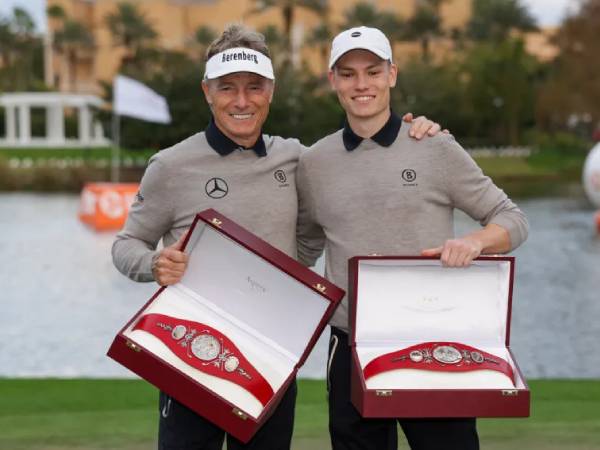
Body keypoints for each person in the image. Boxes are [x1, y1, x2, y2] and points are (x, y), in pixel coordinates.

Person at [112, 24, 441, 450]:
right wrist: (155, 264)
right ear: (207, 91)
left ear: (271, 90)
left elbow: (311, 236)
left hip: (270, 357)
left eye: (254, 87)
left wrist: (416, 135)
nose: (242, 101)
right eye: (227, 88)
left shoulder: (298, 159)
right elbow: (125, 246)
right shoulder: (170, 166)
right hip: (189, 349)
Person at [296, 26, 530, 450]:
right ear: (332, 80)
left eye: (372, 71)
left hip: (435, 339)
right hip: (350, 345)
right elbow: (304, 246)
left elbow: (511, 219)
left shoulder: (435, 146)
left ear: (392, 74)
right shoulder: (314, 163)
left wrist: (474, 243)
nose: (361, 84)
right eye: (348, 74)